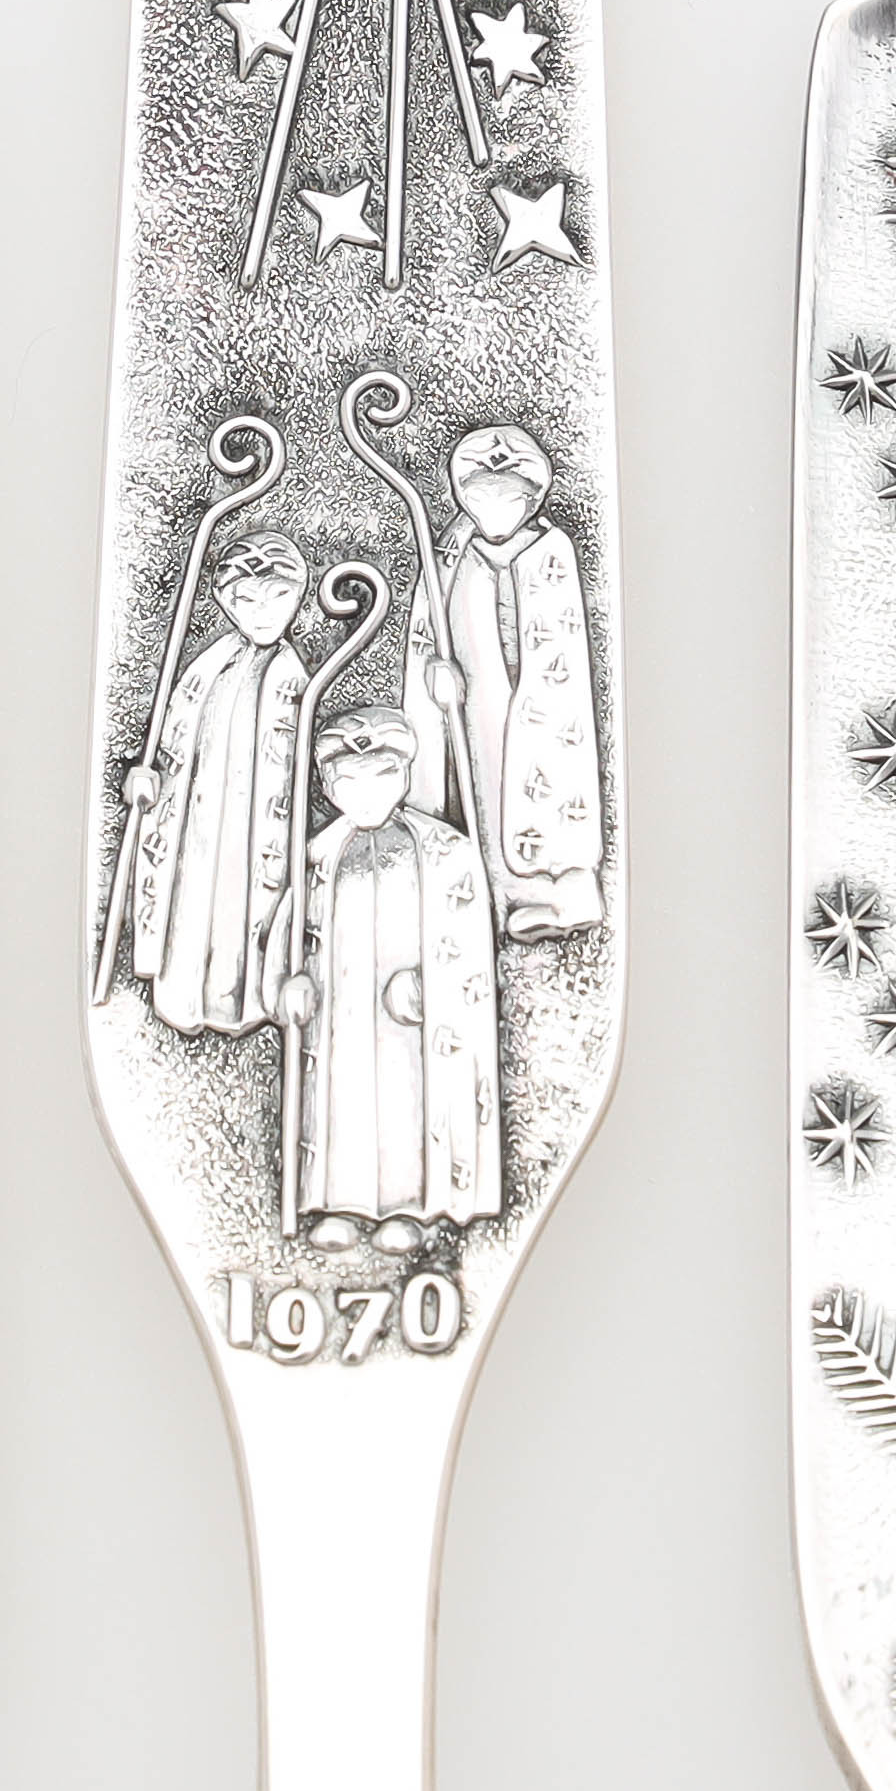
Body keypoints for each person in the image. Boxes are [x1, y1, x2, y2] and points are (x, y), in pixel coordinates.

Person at [278, 708, 500, 1252]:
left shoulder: (445, 852)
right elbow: (287, 926)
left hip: (409, 1025)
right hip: (342, 1015)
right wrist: (286, 982)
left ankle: (411, 1206)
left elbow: (469, 938)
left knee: (404, 1104)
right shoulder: (318, 855)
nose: (366, 795)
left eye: (381, 777)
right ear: (328, 786)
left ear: (403, 776)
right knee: (342, 1101)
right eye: (349, 782)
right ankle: (340, 1203)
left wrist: (432, 987)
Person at [401, 424, 604, 940]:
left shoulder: (551, 549)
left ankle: (555, 895)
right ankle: (493, 895)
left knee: (540, 781)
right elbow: (428, 628)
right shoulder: (448, 553)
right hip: (473, 700)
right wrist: (434, 677)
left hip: (537, 699)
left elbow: (562, 636)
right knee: (485, 782)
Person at [127, 532, 308, 1034]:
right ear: (227, 604)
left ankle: (241, 1002)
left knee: (242, 903)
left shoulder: (290, 675)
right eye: (247, 600)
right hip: (199, 815)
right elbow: (176, 741)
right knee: (192, 896)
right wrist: (149, 780)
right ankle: (182, 994)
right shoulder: (207, 668)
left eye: (278, 596)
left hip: (253, 820)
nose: (263, 612)